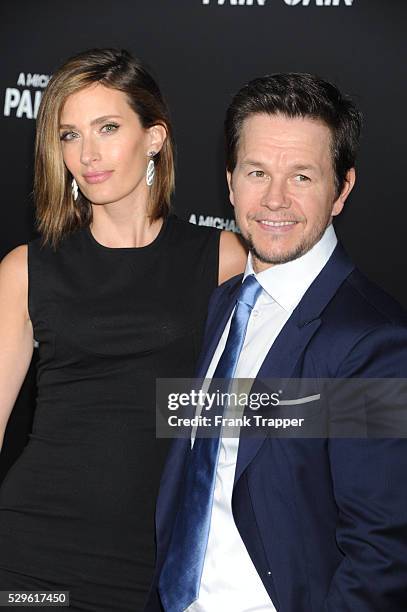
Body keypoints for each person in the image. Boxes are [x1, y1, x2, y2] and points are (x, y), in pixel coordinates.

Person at [148, 73, 407, 611]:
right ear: (230, 181)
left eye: (303, 176)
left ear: (343, 189)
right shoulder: (227, 303)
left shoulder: (372, 341)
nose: (274, 200)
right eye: (257, 171)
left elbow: (380, 554)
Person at [0, 48, 246, 611]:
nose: (87, 155)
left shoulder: (224, 259)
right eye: (69, 135)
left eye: (107, 128)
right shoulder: (26, 268)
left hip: (159, 554)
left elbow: (267, 406)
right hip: (30, 551)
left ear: (154, 137)